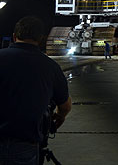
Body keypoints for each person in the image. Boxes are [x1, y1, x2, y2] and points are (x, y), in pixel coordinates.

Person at [0, 16, 71, 165]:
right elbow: (65, 106)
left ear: (14, 36)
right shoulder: (51, 67)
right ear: (41, 39)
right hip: (24, 145)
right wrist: (59, 117)